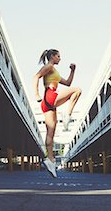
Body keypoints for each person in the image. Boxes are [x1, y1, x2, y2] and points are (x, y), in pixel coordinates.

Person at [34, 49, 82, 178]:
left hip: (47, 103)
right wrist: (36, 94)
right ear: (53, 57)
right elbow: (36, 76)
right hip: (49, 95)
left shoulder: (54, 71)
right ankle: (68, 115)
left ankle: (50, 161)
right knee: (77, 90)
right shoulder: (49, 67)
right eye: (58, 56)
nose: (60, 58)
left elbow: (67, 83)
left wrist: (73, 71)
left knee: (51, 132)